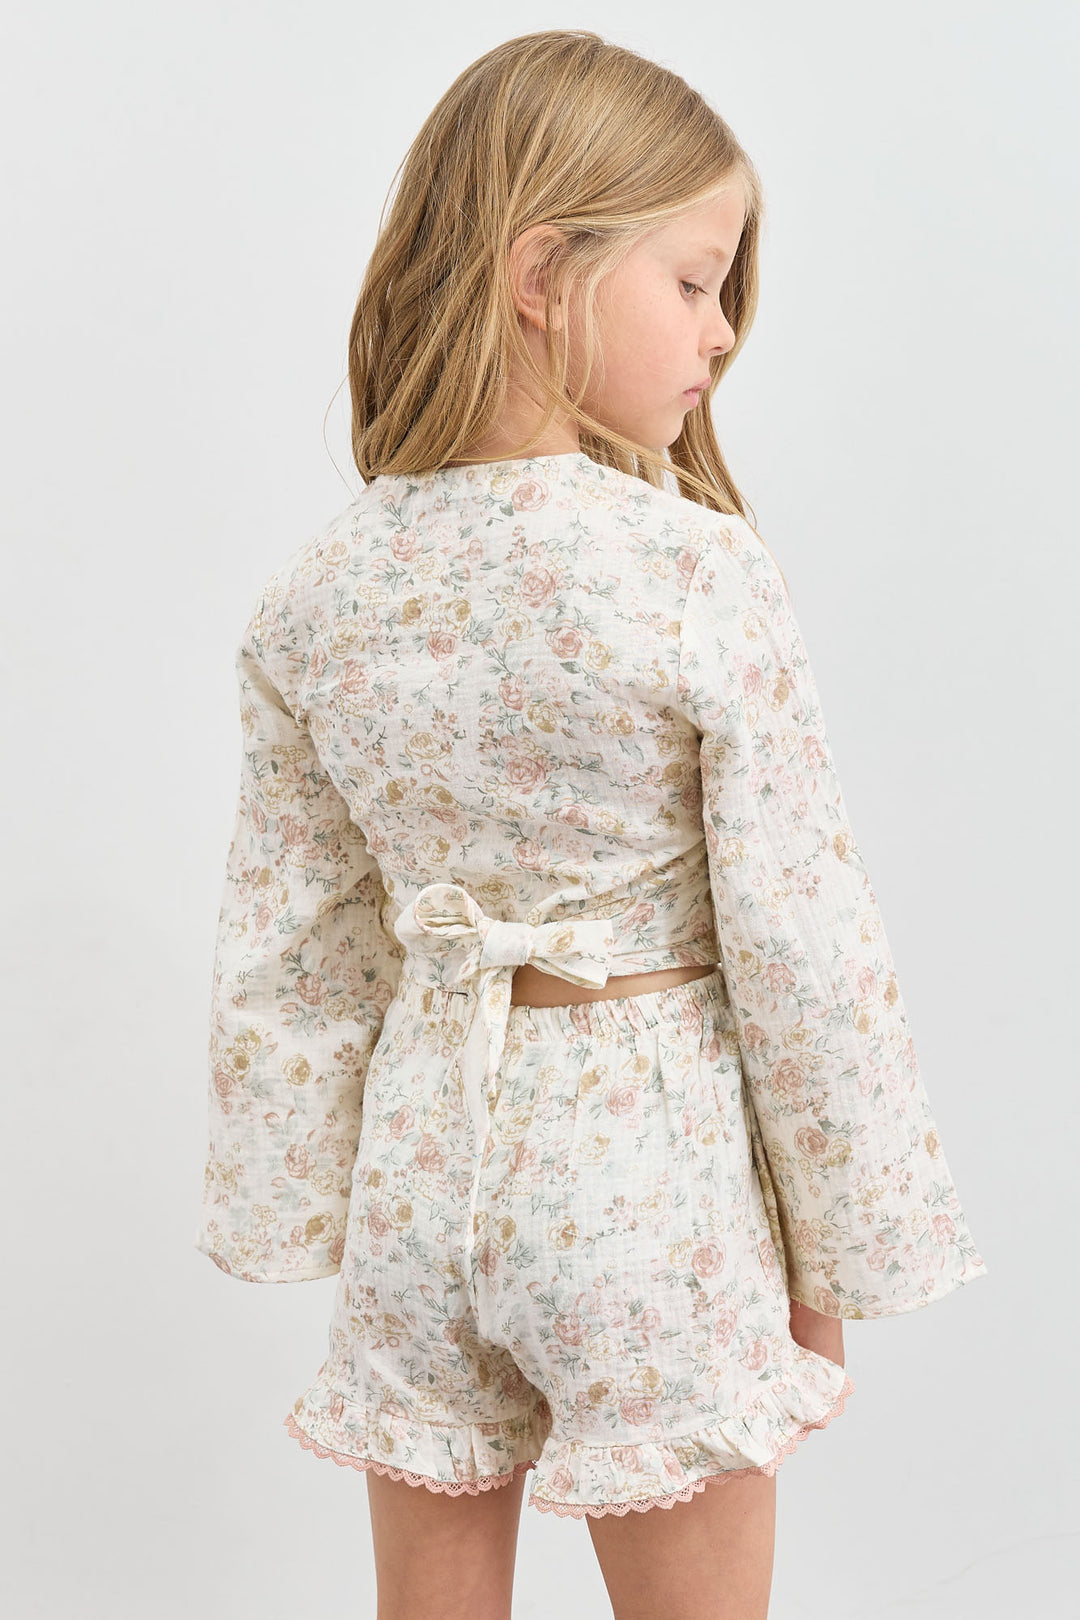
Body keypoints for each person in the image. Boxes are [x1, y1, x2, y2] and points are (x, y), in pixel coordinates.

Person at [195, 28, 989, 1620]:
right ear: (543, 271)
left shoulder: (317, 594)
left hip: (423, 1173)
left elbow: (298, 943)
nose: (723, 331)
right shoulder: (692, 569)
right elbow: (801, 936)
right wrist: (839, 1248)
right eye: (694, 280)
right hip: (647, 1176)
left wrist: (287, 1203)